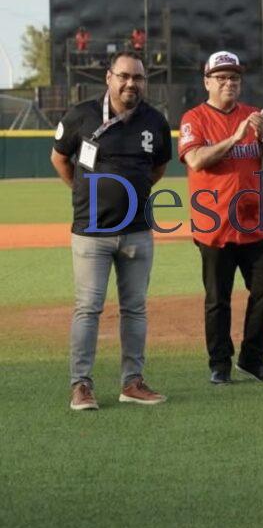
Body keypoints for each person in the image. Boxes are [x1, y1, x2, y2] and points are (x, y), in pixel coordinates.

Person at [50, 51, 172, 411]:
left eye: (138, 78)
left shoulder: (155, 121)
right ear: (109, 78)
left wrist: (131, 197)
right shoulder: (81, 115)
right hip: (91, 231)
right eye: (124, 76)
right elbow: (59, 157)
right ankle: (81, 386)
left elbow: (159, 167)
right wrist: (83, 192)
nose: (131, 83)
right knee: (88, 308)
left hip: (136, 231)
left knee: (135, 308)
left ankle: (132, 383)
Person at [178, 51, 263, 385]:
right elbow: (195, 160)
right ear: (206, 82)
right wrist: (235, 138)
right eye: (221, 78)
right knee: (217, 300)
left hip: (256, 223)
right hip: (215, 225)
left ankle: (253, 358)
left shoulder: (253, 115)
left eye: (234, 78)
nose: (229, 83)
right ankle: (219, 364)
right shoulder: (193, 118)